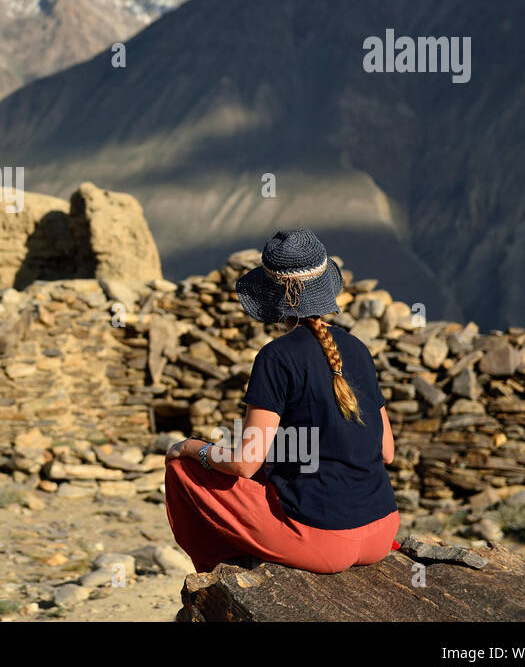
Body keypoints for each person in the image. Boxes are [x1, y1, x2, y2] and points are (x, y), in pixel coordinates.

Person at [163, 228, 399, 574]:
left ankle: (218, 571)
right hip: (381, 531)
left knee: (182, 469)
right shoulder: (357, 349)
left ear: (275, 298)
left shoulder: (275, 357)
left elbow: (246, 463)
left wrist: (190, 447)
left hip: (322, 540)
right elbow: (387, 452)